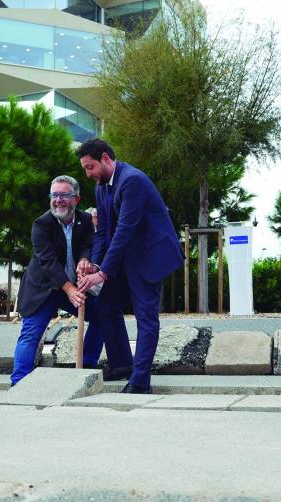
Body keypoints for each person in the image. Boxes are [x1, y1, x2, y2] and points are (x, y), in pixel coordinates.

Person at [76, 138, 183, 394]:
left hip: (149, 258)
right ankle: (123, 365)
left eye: (90, 167)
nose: (88, 174)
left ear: (105, 158)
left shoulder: (132, 180)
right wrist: (95, 264)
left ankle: (140, 381)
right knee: (104, 304)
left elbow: (125, 230)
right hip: (124, 259)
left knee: (146, 318)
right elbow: (102, 231)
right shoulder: (102, 186)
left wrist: (103, 273)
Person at [12, 176, 133, 385]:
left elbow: (89, 244)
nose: (58, 200)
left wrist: (86, 260)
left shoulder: (85, 220)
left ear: (76, 199)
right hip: (44, 289)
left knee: (102, 314)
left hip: (73, 286)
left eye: (64, 195)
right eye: (54, 195)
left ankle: (86, 365)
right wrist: (69, 289)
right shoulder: (41, 225)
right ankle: (19, 381)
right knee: (32, 333)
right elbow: (48, 263)